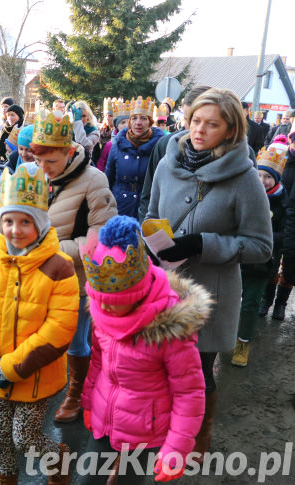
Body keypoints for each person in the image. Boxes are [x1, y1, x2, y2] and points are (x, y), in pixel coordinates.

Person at [146, 88, 272, 460]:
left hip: (209, 293)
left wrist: (203, 243)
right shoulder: (169, 163)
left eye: (212, 124)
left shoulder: (245, 179)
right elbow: (151, 212)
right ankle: (163, 426)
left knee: (197, 373)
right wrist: (148, 240)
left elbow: (261, 247)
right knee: (159, 366)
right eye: (195, 120)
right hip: (164, 288)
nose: (199, 130)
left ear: (231, 130)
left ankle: (200, 434)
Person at [0, 163, 79, 485]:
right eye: (8, 221)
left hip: (33, 372)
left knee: (24, 437)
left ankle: (57, 460)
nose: (15, 230)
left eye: (25, 222)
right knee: (1, 434)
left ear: (40, 224)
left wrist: (11, 367)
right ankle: (6, 478)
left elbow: (59, 328)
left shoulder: (60, 267)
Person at [79, 216, 210, 484]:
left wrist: (176, 448)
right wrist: (89, 402)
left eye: (113, 303)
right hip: (105, 419)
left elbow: (189, 393)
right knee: (89, 478)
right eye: (99, 301)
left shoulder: (170, 330)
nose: (103, 310)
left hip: (146, 431)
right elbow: (97, 363)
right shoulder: (103, 315)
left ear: (137, 294)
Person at [28, 110, 118, 424]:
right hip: (35, 277)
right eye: (38, 161)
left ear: (69, 152)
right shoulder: (36, 173)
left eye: (51, 162)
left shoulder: (95, 181)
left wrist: (47, 251)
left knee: (76, 340)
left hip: (74, 279)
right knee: (33, 336)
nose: (44, 170)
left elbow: (99, 241)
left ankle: (76, 392)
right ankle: (28, 396)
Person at [233, 146, 288, 366]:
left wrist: (264, 236)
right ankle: (228, 334)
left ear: (276, 179)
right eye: (259, 175)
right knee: (229, 301)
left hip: (263, 263)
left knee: (250, 304)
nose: (262, 180)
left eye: (268, 176)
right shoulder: (243, 194)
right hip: (237, 257)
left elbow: (286, 232)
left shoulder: (283, 202)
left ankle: (243, 342)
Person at [138, 85, 213, 222]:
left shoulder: (238, 155)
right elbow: (148, 198)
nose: (192, 128)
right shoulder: (166, 145)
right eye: (187, 119)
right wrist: (149, 235)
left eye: (198, 120)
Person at [106, 96, 164, 218]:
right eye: (134, 118)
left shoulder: (159, 146)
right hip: (120, 207)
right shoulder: (117, 144)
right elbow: (108, 178)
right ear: (129, 122)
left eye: (143, 118)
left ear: (150, 122)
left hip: (147, 208)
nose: (138, 122)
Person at [266, 131, 295, 319]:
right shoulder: (281, 159)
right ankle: (265, 301)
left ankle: (281, 303)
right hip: (277, 219)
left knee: (291, 267)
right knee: (271, 263)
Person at [96, 98, 130, 173]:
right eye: (106, 115)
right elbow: (102, 162)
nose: (108, 118)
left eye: (110, 115)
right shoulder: (108, 142)